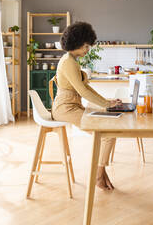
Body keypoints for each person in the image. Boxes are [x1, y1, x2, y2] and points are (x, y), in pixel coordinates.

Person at [51, 22, 122, 190]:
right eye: (85, 46)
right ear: (76, 44)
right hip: (65, 109)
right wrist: (105, 104)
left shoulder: (72, 60)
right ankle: (99, 175)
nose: (87, 50)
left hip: (72, 106)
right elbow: (82, 90)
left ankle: (101, 173)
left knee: (108, 131)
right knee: (106, 134)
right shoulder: (68, 62)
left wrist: (107, 103)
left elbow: (86, 87)